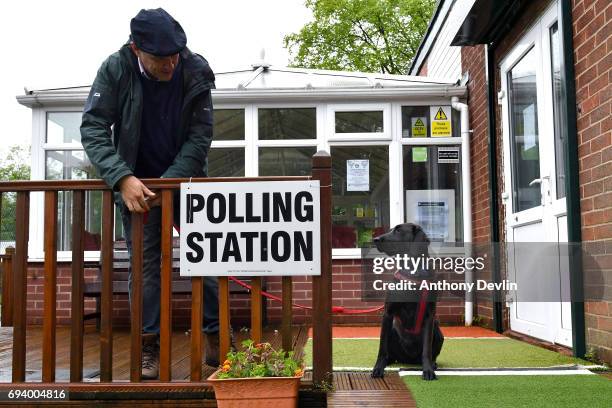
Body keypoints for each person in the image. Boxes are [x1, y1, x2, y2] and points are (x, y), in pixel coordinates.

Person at [81, 8, 219, 379]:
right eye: (161, 59)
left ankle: (217, 339)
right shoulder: (115, 68)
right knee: (145, 270)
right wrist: (121, 177)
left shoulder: (195, 69)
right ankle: (149, 349)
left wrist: (168, 183)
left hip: (187, 183)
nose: (171, 65)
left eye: (175, 55)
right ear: (136, 49)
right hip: (135, 188)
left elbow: (200, 136)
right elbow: (93, 127)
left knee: (207, 260)